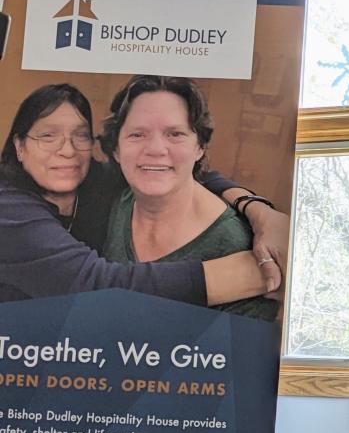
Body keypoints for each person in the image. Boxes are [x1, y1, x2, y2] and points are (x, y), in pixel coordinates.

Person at [0, 82, 284, 307]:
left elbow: (178, 171)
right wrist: (256, 273)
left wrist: (260, 212)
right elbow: (93, 286)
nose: (67, 150)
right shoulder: (8, 208)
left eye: (80, 135)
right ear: (19, 146)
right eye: (47, 136)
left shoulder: (93, 180)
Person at [98, 76, 278, 322]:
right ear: (116, 149)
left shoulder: (235, 246)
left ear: (200, 146)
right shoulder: (111, 195)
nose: (156, 149)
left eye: (175, 134)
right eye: (137, 134)